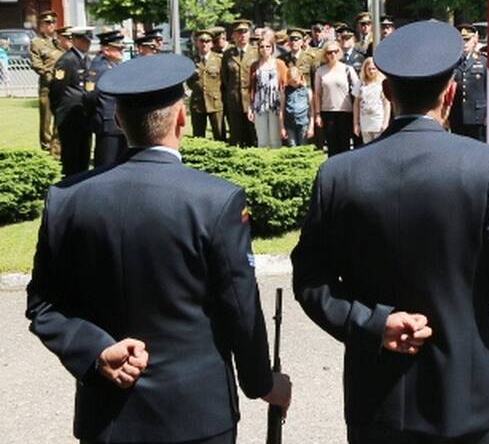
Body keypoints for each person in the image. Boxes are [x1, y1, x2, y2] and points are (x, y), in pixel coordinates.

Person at [292, 20, 489, 444]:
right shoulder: (486, 168)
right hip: (464, 402)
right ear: (451, 94)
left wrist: (373, 323)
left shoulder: (338, 173)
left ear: (387, 94)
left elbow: (311, 282)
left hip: (378, 405)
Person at [27, 54, 292, 443]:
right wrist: (262, 383)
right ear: (182, 118)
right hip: (197, 417)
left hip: (107, 417)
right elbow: (239, 306)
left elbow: (44, 303)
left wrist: (97, 351)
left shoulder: (68, 199)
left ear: (117, 121)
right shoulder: (216, 200)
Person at [50, 27, 95, 177]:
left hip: (83, 113)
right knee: (71, 157)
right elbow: (57, 89)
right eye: (83, 39)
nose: (87, 43)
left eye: (88, 40)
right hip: (70, 115)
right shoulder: (67, 60)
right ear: (74, 40)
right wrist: (59, 111)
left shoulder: (86, 59)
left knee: (84, 154)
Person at [88, 30, 127, 167]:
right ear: (106, 49)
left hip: (119, 123)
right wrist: (99, 116)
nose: (121, 51)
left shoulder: (114, 66)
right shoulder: (100, 68)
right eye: (118, 48)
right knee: (106, 164)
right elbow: (90, 96)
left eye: (122, 48)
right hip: (107, 124)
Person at [312, 39, 358, 156]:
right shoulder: (320, 71)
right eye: (329, 52)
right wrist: (317, 114)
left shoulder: (348, 69)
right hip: (328, 112)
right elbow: (317, 94)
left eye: (335, 51)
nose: (332, 54)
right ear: (325, 54)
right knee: (332, 146)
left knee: (345, 146)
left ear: (339, 52)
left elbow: (358, 90)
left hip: (345, 112)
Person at [30, 10, 63, 155]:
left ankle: (57, 146)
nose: (51, 26)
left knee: (60, 115)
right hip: (47, 85)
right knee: (46, 117)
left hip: (61, 84)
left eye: (53, 23)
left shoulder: (60, 41)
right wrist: (49, 75)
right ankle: (46, 145)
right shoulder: (37, 43)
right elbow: (36, 64)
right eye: (47, 23)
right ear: (41, 25)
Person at [221, 19, 258, 147]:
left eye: (245, 32)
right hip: (234, 101)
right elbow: (225, 78)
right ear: (234, 35)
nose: (242, 35)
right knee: (236, 136)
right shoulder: (228, 54)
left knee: (253, 135)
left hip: (252, 101)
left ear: (249, 34)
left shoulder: (256, 52)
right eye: (239, 32)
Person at [448, 24, 488, 142]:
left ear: (475, 40)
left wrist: (488, 114)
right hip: (457, 114)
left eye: (467, 39)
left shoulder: (483, 61)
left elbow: (488, 89)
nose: (464, 43)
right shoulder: (452, 62)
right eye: (461, 40)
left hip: (478, 115)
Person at [248, 34, 288, 149]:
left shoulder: (279, 64)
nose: (264, 49)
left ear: (272, 48)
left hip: (275, 105)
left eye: (267, 46)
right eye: (262, 47)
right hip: (259, 105)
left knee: (275, 140)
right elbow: (252, 88)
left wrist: (283, 107)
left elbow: (284, 85)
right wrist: (250, 107)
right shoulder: (255, 65)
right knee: (262, 140)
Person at [188, 30, 227, 141]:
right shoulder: (191, 60)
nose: (204, 44)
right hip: (198, 103)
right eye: (201, 41)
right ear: (197, 43)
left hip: (215, 102)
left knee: (220, 135)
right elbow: (188, 83)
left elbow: (225, 81)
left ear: (212, 43)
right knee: (198, 136)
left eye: (207, 41)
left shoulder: (219, 60)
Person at [354, 56, 390, 144]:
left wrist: (385, 122)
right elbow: (356, 104)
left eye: (374, 69)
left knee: (379, 145)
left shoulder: (382, 83)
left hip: (378, 121)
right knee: (367, 146)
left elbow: (386, 103)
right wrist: (356, 123)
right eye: (369, 69)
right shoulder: (360, 83)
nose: (371, 71)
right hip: (365, 122)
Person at [283, 65, 314, 146]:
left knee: (303, 145)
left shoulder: (307, 90)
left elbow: (311, 110)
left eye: (295, 81)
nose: (294, 84)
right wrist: (282, 127)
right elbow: (281, 110)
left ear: (300, 78)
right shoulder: (285, 91)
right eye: (291, 81)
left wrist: (311, 127)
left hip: (303, 123)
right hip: (290, 124)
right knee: (292, 145)